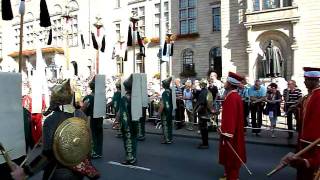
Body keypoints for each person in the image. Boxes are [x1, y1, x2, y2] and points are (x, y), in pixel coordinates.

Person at [11, 80, 99, 180]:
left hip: (57, 171)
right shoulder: (81, 115)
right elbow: (87, 145)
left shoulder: (51, 120)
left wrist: (25, 171)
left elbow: (47, 155)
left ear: (55, 100)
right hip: (78, 172)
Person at [281, 67, 320, 180]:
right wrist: (296, 108)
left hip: (313, 144)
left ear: (314, 80)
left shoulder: (317, 96)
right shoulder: (309, 96)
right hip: (304, 142)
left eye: (306, 79)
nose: (304, 82)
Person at [219, 72, 246, 180]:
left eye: (226, 81)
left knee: (231, 156)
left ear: (230, 84)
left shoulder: (232, 98)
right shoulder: (233, 96)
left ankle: (233, 177)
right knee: (229, 157)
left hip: (231, 135)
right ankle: (229, 175)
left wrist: (225, 132)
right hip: (234, 132)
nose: (225, 83)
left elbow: (230, 118)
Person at [82, 78, 103, 159]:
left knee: (92, 134)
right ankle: (99, 152)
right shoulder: (101, 97)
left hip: (91, 118)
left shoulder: (89, 98)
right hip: (99, 117)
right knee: (99, 134)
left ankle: (93, 152)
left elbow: (84, 108)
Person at [119, 75, 138, 165]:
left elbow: (123, 113)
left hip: (128, 123)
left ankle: (130, 158)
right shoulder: (135, 97)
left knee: (128, 140)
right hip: (134, 121)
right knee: (134, 139)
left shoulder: (124, 98)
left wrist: (124, 124)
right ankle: (133, 156)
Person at [194, 79, 213, 149]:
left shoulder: (203, 92)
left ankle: (205, 144)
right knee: (204, 129)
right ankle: (205, 142)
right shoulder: (207, 91)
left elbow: (201, 104)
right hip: (206, 112)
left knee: (203, 129)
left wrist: (195, 111)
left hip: (203, 113)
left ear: (201, 84)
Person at [159, 77, 174, 144]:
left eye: (162, 84)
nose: (162, 85)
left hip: (165, 112)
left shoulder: (165, 93)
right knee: (169, 125)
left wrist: (159, 112)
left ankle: (167, 139)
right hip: (170, 110)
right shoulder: (171, 91)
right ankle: (170, 138)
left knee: (165, 125)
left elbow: (163, 104)